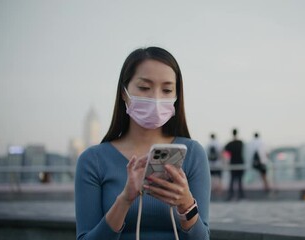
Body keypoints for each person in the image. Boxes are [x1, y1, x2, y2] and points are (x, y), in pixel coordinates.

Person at [75, 47, 210, 240]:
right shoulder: (93, 160)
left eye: (167, 90)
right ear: (124, 92)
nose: (156, 98)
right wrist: (125, 199)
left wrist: (186, 204)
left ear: (176, 96)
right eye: (145, 88)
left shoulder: (193, 153)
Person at [224, 128, 245, 201]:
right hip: (240, 162)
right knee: (240, 180)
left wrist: (226, 161)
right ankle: (241, 196)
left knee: (232, 180)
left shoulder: (230, 144)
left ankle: (231, 196)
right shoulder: (241, 143)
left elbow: (225, 153)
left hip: (233, 163)